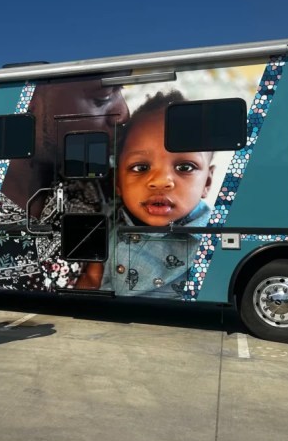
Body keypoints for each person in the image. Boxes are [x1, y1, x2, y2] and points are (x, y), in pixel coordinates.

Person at [0, 78, 130, 291]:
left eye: (120, 89)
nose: (123, 113)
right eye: (102, 96)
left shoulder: (101, 183)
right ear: (25, 98)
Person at [76, 91, 214, 296]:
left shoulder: (212, 239)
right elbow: (91, 280)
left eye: (185, 167)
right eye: (140, 167)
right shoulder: (109, 224)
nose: (161, 182)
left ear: (207, 182)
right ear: (118, 182)